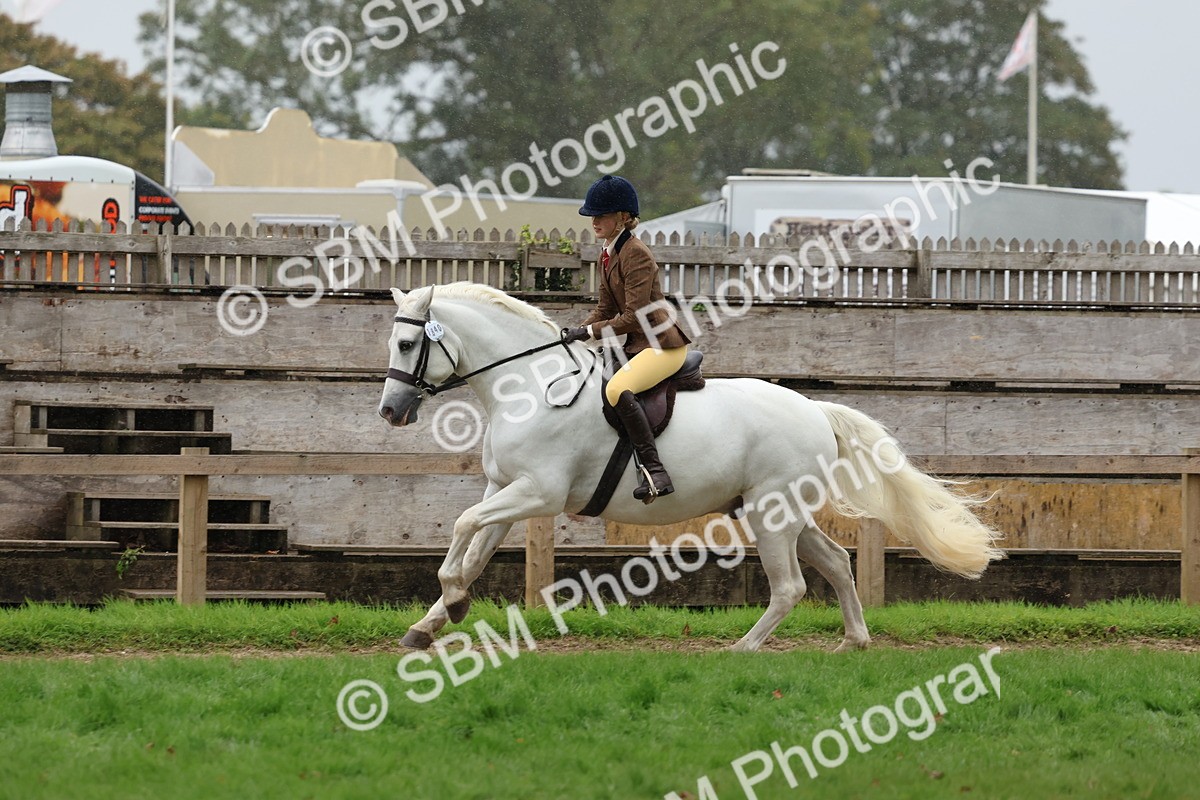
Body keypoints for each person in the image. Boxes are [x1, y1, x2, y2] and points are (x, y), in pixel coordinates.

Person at [561, 175, 691, 503]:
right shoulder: (607, 254)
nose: (594, 221)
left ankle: (655, 471)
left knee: (617, 389)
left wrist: (591, 333)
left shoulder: (636, 253)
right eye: (592, 215)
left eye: (601, 215)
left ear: (622, 217)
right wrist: (576, 332)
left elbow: (634, 316)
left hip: (662, 345)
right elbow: (605, 308)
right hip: (636, 345)